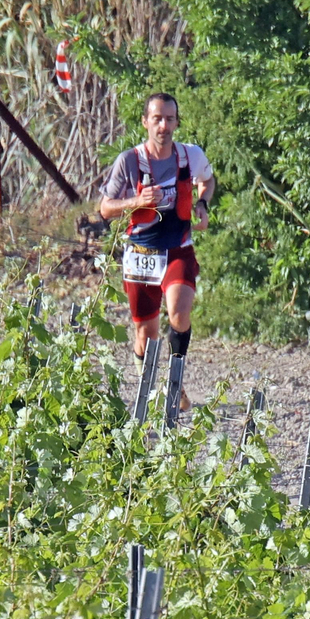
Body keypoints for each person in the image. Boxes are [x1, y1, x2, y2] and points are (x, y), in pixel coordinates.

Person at [98, 93, 215, 409]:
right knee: (146, 335)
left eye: (169, 119)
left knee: (179, 312)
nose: (163, 126)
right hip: (141, 253)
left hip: (178, 248)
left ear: (177, 122)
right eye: (157, 118)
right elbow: (106, 208)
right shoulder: (130, 161)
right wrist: (136, 201)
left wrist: (202, 204)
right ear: (145, 122)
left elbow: (208, 180)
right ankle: (148, 391)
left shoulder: (190, 156)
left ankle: (176, 386)